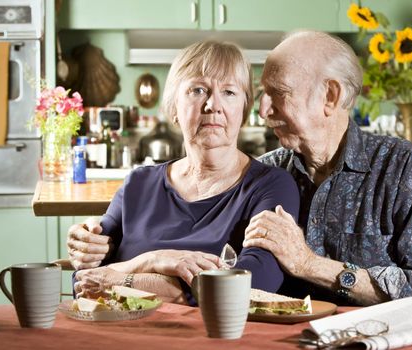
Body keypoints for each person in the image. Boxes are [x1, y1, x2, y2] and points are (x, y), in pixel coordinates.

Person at [67, 40, 299, 303]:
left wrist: (122, 277)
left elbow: (254, 281)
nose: (213, 105)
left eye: (229, 92)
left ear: (244, 111)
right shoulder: (138, 185)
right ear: (174, 107)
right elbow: (84, 280)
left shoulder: (270, 186)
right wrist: (154, 260)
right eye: (198, 90)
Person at [242, 30, 412, 308]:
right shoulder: (267, 173)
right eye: (264, 93)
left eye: (280, 93)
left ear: (330, 96)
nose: (263, 110)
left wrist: (308, 264)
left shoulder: (402, 166)